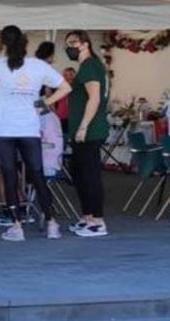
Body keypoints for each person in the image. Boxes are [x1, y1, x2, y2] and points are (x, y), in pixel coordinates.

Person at [0, 25, 71, 242]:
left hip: (5, 128)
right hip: (29, 127)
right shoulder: (38, 66)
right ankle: (52, 223)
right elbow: (66, 88)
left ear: (3, 44)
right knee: (37, 175)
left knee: (8, 176)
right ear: (25, 43)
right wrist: (43, 103)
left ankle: (17, 226)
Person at [64, 30, 111, 238]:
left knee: (90, 175)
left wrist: (83, 126)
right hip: (80, 132)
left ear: (84, 44)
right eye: (67, 44)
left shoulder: (90, 66)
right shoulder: (84, 67)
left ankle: (98, 221)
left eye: (72, 43)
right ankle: (87, 217)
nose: (69, 47)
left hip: (90, 132)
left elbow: (94, 98)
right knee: (79, 174)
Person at [56, 67, 76, 133]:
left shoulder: (77, 88)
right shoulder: (60, 87)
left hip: (73, 117)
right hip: (61, 116)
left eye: (70, 75)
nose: (67, 77)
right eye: (64, 75)